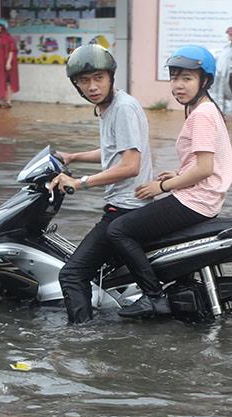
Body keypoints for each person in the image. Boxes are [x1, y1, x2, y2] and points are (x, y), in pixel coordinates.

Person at [107, 45, 232, 318]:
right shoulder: (204, 109)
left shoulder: (201, 115)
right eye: (174, 78)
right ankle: (181, 286)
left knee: (118, 230)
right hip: (205, 198)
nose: (178, 86)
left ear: (205, 81)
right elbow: (203, 163)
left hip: (196, 200)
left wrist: (161, 187)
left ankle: (153, 296)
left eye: (186, 79)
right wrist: (177, 174)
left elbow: (204, 169)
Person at [47, 44, 154, 324]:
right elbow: (112, 152)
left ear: (110, 78)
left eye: (98, 78)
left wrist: (79, 183)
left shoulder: (123, 108)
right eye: (84, 81)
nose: (92, 86)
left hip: (126, 208)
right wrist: (73, 156)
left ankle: (81, 337)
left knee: (72, 274)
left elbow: (131, 166)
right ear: (76, 85)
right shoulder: (108, 107)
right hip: (123, 206)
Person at [0, 19, 19, 108]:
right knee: (0, 81)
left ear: (2, 28)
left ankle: (8, 101)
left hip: (7, 63)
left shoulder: (8, 38)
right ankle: (0, 99)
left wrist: (8, 62)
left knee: (8, 82)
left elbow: (11, 50)